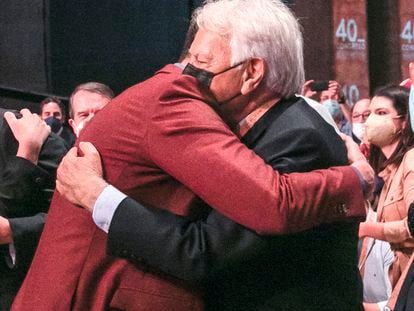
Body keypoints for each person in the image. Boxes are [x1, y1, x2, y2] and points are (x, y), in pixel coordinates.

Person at [13, 1, 372, 310]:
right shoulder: (190, 103)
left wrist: (358, 181)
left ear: (251, 73)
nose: (185, 74)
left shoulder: (296, 135)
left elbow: (232, 231)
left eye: (201, 62)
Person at [0, 108, 68, 309]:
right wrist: (26, 155)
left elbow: (70, 219)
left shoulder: (24, 131)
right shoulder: (29, 138)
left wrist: (16, 229)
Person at [357, 84, 414, 311]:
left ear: (402, 121)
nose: (370, 120)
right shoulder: (390, 170)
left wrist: (367, 229)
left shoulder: (410, 160)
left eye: (381, 113)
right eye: (370, 113)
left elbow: (413, 225)